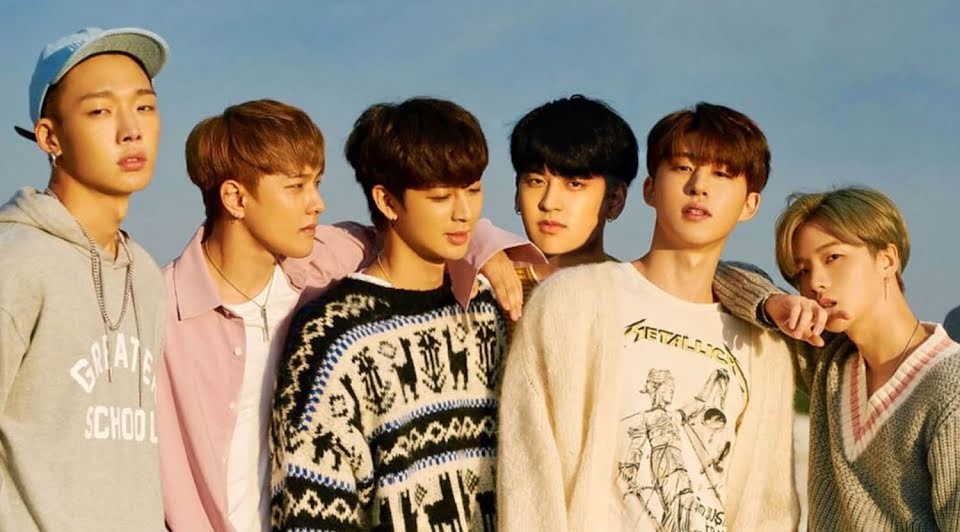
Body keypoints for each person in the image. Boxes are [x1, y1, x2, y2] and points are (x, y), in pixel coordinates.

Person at [158, 99, 539, 531]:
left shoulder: (323, 260)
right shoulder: (158, 311)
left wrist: (484, 248)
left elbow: (411, 233)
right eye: (296, 187)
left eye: (317, 182)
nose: (318, 203)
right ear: (235, 197)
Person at [497, 102, 800, 531]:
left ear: (750, 204)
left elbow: (771, 508)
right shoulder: (571, 300)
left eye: (722, 174)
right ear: (649, 188)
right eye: (682, 167)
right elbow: (530, 473)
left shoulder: (763, 344)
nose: (699, 186)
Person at [271, 97, 514, 530]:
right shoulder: (334, 335)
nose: (464, 213)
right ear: (387, 201)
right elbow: (312, 509)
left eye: (473, 190)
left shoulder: (485, 312)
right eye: (440, 197)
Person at [0, 27, 169, 531]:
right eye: (99, 111)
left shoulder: (146, 275)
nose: (131, 130)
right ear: (49, 137)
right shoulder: (16, 262)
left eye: (144, 106)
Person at [766, 187, 960, 531]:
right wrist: (771, 303)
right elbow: (720, 276)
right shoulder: (828, 361)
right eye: (802, 271)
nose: (815, 283)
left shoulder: (950, 387)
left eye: (832, 257)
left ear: (887, 259)